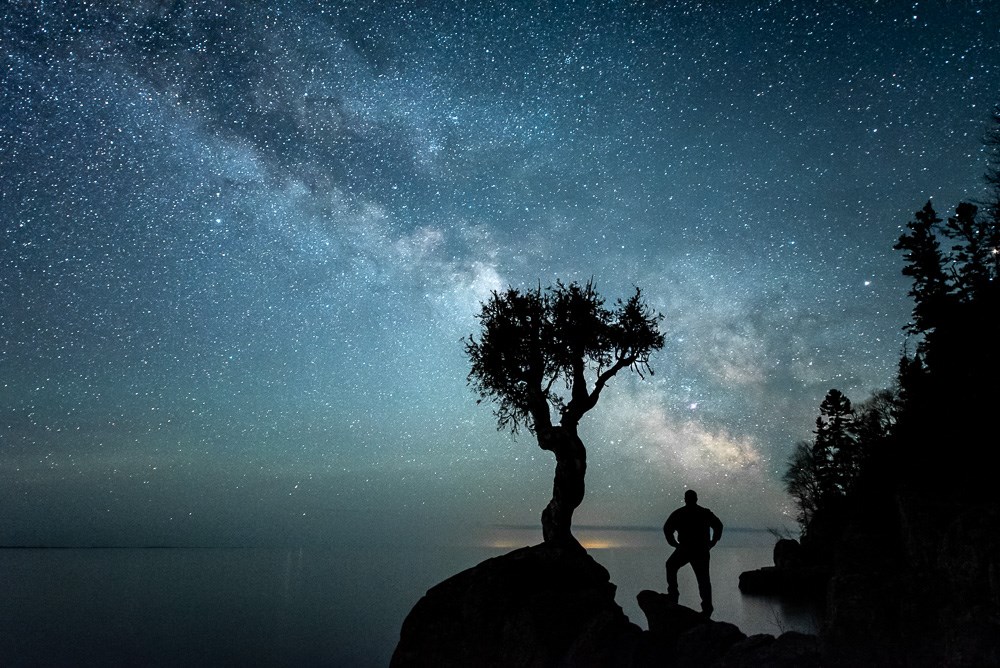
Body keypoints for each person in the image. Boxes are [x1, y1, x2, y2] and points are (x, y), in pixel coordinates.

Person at [663, 489, 723, 616]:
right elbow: (718, 525)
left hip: (689, 549)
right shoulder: (703, 513)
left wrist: (673, 543)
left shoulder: (681, 513)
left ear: (686, 499)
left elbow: (667, 529)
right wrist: (713, 541)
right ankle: (706, 607)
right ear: (696, 499)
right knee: (703, 579)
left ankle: (674, 594)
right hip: (697, 549)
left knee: (673, 567)